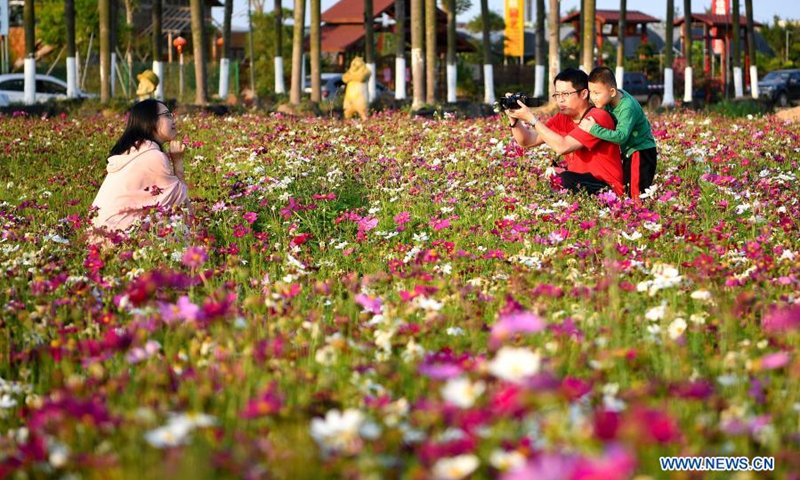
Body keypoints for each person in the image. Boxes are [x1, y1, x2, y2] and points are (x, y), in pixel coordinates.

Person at [505, 68, 624, 196]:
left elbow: (563, 146)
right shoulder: (562, 117)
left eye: (565, 94)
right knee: (551, 177)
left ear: (584, 94)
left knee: (565, 179)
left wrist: (532, 119)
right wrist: (514, 120)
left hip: (607, 188)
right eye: (557, 95)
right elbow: (527, 140)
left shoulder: (597, 117)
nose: (560, 100)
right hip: (580, 183)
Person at [89, 99, 189, 243]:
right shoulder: (153, 157)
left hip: (98, 238)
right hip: (120, 240)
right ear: (150, 121)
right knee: (180, 231)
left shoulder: (132, 151)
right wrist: (178, 162)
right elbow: (183, 208)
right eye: (167, 115)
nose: (173, 120)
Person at [579, 67, 658, 201]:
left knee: (636, 195)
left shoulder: (627, 107)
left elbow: (621, 137)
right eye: (591, 92)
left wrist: (593, 129)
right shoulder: (609, 100)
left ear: (612, 91)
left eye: (597, 93)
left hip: (640, 152)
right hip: (630, 152)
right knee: (628, 189)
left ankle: (640, 219)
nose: (593, 97)